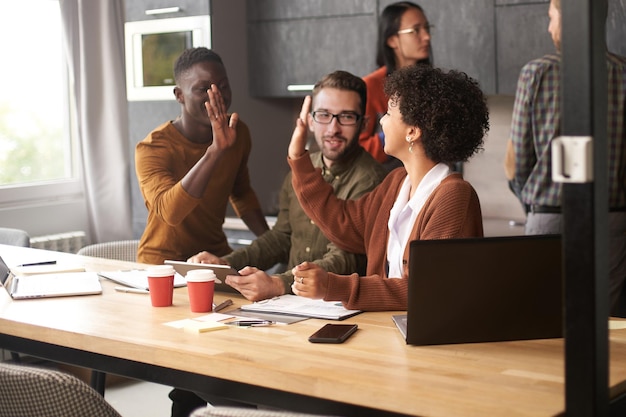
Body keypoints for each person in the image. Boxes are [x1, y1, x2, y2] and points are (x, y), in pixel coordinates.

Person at [287, 64, 488, 311]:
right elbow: (344, 224)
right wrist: (299, 158)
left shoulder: (453, 197)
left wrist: (334, 286)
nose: (382, 121)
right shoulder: (396, 183)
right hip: (388, 335)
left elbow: (427, 288)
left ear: (412, 132)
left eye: (390, 113)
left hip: (428, 345)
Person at [187, 70, 387, 302]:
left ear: (364, 124)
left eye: (347, 117)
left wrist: (279, 283)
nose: (333, 129)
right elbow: (281, 238)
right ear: (310, 121)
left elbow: (347, 257)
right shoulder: (301, 168)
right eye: (324, 115)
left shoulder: (373, 181)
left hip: (337, 307)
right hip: (290, 305)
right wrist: (227, 263)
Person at [505, 0, 626, 315]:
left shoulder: (537, 71)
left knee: (544, 320)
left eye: (551, 16)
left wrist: (532, 201)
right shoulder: (624, 73)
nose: (549, 27)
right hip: (613, 218)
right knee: (607, 321)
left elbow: (518, 157)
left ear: (568, 16)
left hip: (550, 215)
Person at [135, 47, 269, 265]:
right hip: (163, 264)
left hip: (214, 258)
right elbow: (170, 212)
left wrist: (273, 242)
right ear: (179, 95)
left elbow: (241, 192)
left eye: (223, 86)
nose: (216, 95)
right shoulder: (153, 147)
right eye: (202, 89)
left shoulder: (237, 131)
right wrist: (215, 151)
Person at [360, 1, 432, 168]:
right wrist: (395, 134)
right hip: (386, 181)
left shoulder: (432, 84)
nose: (426, 36)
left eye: (427, 28)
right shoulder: (370, 86)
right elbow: (361, 149)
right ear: (392, 40)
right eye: (415, 30)